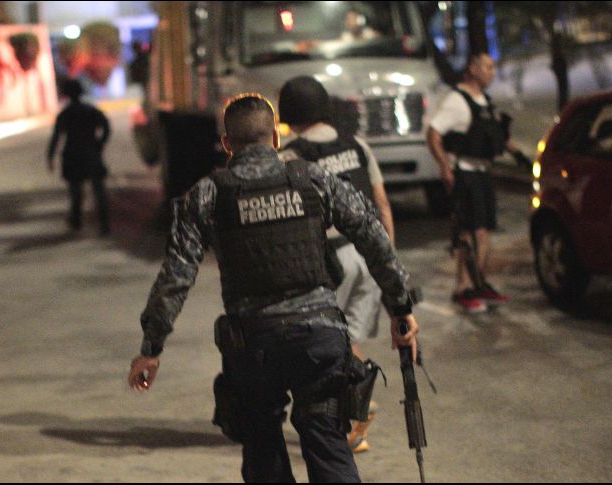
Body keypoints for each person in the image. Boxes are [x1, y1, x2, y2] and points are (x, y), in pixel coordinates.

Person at [127, 93, 419, 483]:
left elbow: (176, 276)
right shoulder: (313, 180)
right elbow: (374, 238)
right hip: (320, 337)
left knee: (262, 442)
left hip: (253, 347)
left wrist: (151, 349)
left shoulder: (207, 195)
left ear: (227, 143)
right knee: (328, 441)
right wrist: (401, 308)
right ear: (276, 139)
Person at [277, 75, 393, 454]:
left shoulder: (290, 157)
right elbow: (382, 202)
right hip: (368, 253)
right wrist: (388, 259)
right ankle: (356, 419)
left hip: (329, 259)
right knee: (348, 339)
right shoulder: (357, 146)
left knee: (323, 345)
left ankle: (346, 417)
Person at [426, 52, 526, 313]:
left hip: (483, 173)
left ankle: (479, 282)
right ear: (473, 68)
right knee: (469, 232)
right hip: (465, 172)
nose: (492, 72)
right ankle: (463, 288)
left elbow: (500, 136)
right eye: (488, 67)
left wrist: (523, 159)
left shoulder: (486, 102)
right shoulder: (458, 101)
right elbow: (433, 133)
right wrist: (445, 167)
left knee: (485, 231)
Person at [46, 78, 111, 236]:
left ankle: (76, 220)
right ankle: (104, 225)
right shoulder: (91, 110)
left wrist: (50, 157)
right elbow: (107, 127)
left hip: (73, 155)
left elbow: (56, 137)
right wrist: (99, 144)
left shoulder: (65, 114)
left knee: (76, 192)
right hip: (91, 154)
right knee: (99, 191)